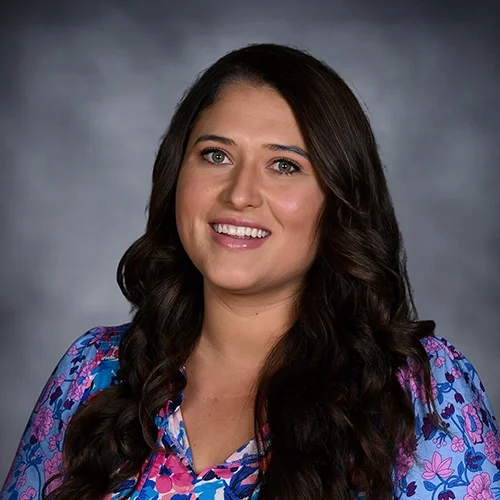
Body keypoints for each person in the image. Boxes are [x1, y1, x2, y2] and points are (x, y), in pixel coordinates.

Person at [1, 42, 499, 500]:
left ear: (339, 201)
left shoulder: (417, 393)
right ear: (177, 175)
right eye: (216, 155)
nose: (239, 194)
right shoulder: (91, 372)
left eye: (284, 165)